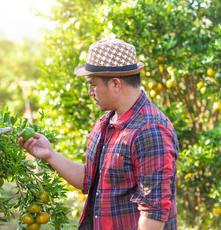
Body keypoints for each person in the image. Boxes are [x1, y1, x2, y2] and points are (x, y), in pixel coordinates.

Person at [18, 39, 178, 230]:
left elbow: (152, 216)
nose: (89, 92)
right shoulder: (104, 123)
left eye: (93, 85)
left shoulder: (150, 130)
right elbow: (90, 179)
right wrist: (50, 154)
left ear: (115, 84)